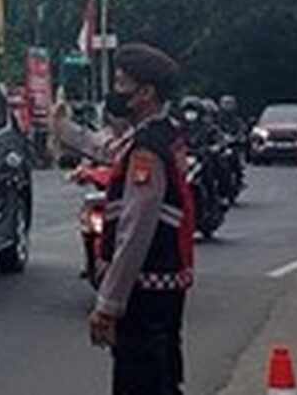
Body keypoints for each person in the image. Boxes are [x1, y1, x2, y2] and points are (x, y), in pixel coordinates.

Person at [90, 43, 194, 395]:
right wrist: (63, 129)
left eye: (122, 84)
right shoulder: (163, 133)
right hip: (164, 286)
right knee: (162, 379)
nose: (116, 92)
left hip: (146, 289)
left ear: (146, 93)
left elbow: (135, 231)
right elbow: (108, 149)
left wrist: (108, 304)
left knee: (140, 381)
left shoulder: (147, 148)